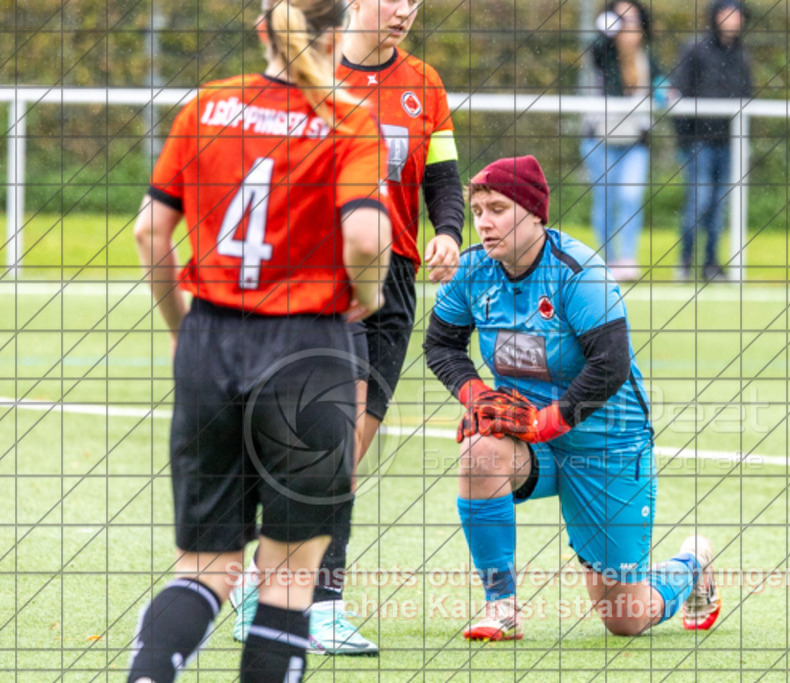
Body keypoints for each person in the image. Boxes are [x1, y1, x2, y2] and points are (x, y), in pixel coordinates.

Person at [127, 0, 392, 679]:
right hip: (307, 350)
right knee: (286, 580)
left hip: (212, 339)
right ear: (337, 33)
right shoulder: (349, 121)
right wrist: (369, 295)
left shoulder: (207, 106)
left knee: (204, 568)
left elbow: (149, 233)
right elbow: (365, 237)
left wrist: (183, 326)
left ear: (264, 30)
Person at [231, 0, 464, 657]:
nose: (406, 11)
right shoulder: (312, 73)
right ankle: (319, 602)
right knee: (335, 439)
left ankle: (269, 572)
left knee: (347, 446)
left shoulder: (425, 84)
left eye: (416, 2)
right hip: (329, 274)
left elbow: (442, 179)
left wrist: (447, 232)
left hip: (395, 283)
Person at [423, 155, 721, 641]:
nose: (483, 222)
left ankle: (693, 564)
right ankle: (501, 605)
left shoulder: (579, 272)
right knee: (479, 451)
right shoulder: (473, 271)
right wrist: (476, 395)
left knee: (624, 619)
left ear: (535, 213)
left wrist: (544, 423)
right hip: (533, 441)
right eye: (477, 211)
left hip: (607, 444)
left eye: (497, 208)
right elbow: (440, 344)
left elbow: (611, 364)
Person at [581, 0, 663, 282]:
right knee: (604, 201)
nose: (628, 27)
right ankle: (605, 260)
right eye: (621, 21)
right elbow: (598, 46)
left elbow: (662, 82)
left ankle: (627, 259)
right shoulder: (603, 53)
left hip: (634, 142)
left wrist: (664, 91)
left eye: (633, 21)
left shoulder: (646, 57)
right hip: (600, 140)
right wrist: (611, 29)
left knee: (630, 197)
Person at [671, 0, 752, 281]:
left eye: (737, 15)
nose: (732, 20)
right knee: (699, 200)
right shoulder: (695, 50)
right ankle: (685, 261)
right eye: (726, 14)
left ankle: (710, 264)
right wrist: (684, 139)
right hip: (699, 142)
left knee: (720, 206)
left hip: (729, 143)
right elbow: (678, 94)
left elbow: (747, 97)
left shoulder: (741, 56)